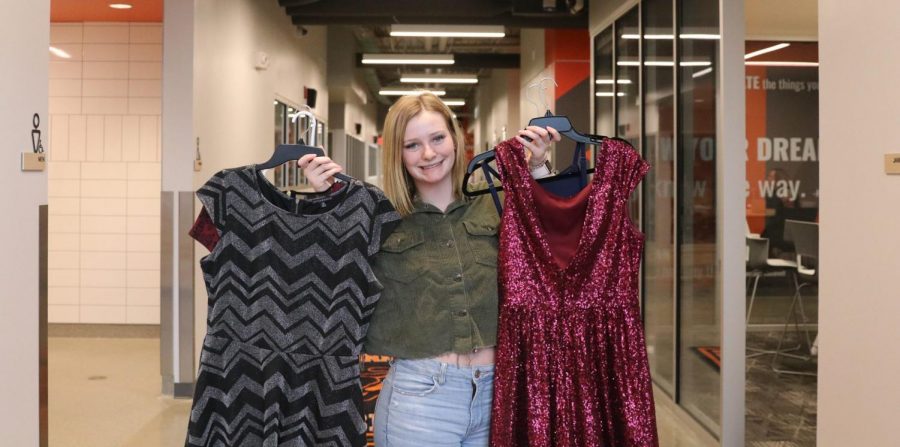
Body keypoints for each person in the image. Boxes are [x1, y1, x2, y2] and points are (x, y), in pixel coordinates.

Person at [298, 93, 560, 446]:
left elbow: (553, 243)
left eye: (437, 138)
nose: (429, 154)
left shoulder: (495, 201)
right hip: (420, 399)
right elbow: (329, 277)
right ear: (397, 153)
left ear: (454, 137)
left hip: (498, 393)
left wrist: (539, 166)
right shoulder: (378, 216)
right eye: (412, 145)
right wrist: (325, 205)